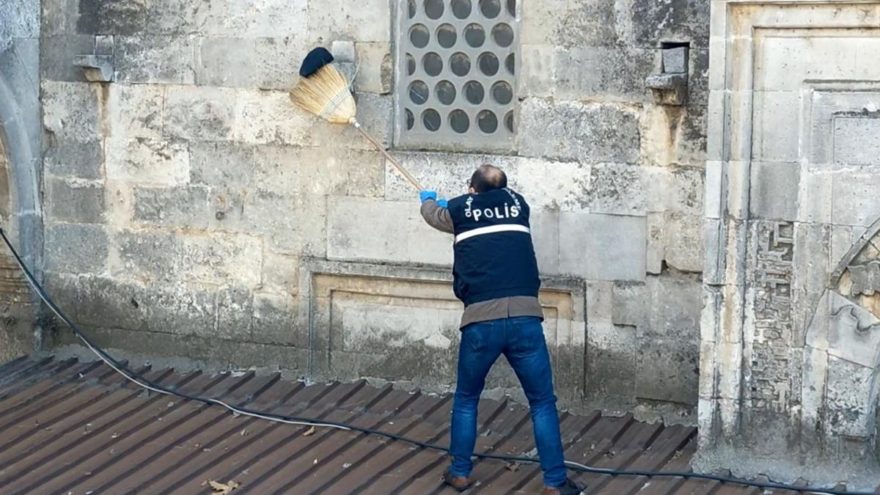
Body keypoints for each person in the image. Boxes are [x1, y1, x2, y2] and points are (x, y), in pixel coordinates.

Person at [419, 165, 584, 495]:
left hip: (481, 320)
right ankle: (555, 481)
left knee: (467, 399)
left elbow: (434, 215)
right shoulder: (519, 205)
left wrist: (427, 200)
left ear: (472, 189)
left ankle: (461, 472)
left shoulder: (460, 209)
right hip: (525, 319)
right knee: (542, 403)